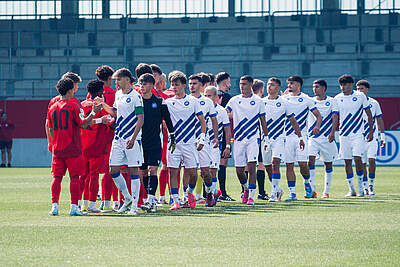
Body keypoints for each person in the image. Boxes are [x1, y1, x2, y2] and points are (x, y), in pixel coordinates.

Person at [47, 77, 102, 216]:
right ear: (71, 90)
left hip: (57, 148)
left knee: (57, 177)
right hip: (72, 147)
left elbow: (50, 127)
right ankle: (73, 207)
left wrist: (53, 143)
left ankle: (54, 206)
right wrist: (94, 111)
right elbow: (83, 124)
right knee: (75, 178)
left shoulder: (52, 107)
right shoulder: (74, 105)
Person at [101, 68, 144, 215]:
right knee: (113, 169)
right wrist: (102, 105)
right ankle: (127, 198)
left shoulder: (136, 97)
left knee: (133, 170)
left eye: (118, 79)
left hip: (132, 138)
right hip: (118, 137)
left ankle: (134, 207)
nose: (116, 83)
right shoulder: (118, 95)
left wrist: (133, 138)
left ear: (127, 79)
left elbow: (140, 119)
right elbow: (115, 113)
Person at [164, 71, 207, 210]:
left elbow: (202, 121)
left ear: (183, 86)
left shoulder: (193, 101)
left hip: (190, 143)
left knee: (193, 173)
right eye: (172, 85)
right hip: (174, 143)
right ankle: (176, 200)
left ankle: (188, 193)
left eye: (176, 85)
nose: (174, 87)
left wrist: (202, 138)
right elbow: (164, 120)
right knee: (173, 171)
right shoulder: (168, 102)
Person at [226, 75, 269, 205]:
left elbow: (263, 120)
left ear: (251, 85)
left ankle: (251, 196)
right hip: (238, 139)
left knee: (251, 166)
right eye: (240, 84)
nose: (241, 86)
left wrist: (266, 139)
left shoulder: (258, 101)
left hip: (253, 139)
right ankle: (245, 188)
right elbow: (225, 112)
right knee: (239, 170)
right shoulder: (234, 100)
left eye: (244, 84)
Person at [261, 77, 304, 202]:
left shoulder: (284, 103)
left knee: (275, 163)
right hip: (265, 139)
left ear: (278, 88)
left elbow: (293, 121)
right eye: (268, 84)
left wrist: (300, 137)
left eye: (273, 85)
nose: (270, 87)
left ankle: (273, 194)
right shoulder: (261, 102)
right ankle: (278, 188)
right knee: (268, 166)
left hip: (279, 138)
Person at [138, 73, 176, 212]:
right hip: (140, 141)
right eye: (141, 83)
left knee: (152, 170)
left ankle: (151, 200)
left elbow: (168, 120)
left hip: (155, 141)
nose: (142, 86)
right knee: (142, 172)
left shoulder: (160, 101)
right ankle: (143, 200)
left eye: (145, 83)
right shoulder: (137, 101)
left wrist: (172, 136)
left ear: (152, 85)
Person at [281, 75, 322, 201]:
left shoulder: (307, 99)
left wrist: (317, 127)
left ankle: (306, 182)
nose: (289, 86)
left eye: (291, 83)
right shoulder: (284, 99)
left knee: (303, 165)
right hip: (286, 136)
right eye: (288, 83)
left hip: (301, 137)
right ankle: (292, 193)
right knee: (289, 165)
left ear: (298, 85)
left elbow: (318, 116)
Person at [335, 74, 374, 197]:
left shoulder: (360, 96)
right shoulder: (337, 98)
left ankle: (361, 187)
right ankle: (351, 189)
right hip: (344, 134)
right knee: (347, 162)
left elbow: (368, 114)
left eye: (345, 84)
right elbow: (335, 116)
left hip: (358, 134)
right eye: (341, 84)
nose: (343, 87)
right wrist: (332, 132)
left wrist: (371, 131)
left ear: (351, 84)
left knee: (358, 159)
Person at [79, 79, 113, 213]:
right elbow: (110, 122)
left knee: (82, 176)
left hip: (82, 145)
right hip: (97, 146)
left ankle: (80, 204)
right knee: (93, 176)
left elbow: (81, 123)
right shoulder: (99, 106)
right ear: (100, 92)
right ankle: (92, 205)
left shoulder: (81, 105)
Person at [188, 73, 220, 207]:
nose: (192, 86)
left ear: (201, 86)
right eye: (190, 84)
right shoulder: (185, 100)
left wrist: (216, 138)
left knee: (205, 172)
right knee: (189, 171)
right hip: (187, 140)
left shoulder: (207, 102)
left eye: (194, 83)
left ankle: (210, 192)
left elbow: (213, 120)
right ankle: (187, 196)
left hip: (203, 141)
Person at [307, 80, 339, 199]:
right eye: (313, 86)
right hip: (312, 137)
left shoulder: (332, 101)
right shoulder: (310, 101)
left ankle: (326, 191)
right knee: (310, 160)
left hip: (326, 137)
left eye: (317, 87)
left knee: (328, 164)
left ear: (324, 88)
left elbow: (335, 117)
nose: (314, 89)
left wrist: (332, 132)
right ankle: (312, 190)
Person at [95, 65, 120, 211]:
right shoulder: (115, 94)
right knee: (115, 169)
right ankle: (114, 201)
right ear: (110, 78)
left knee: (93, 171)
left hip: (95, 135)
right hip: (112, 135)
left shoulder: (92, 94)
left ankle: (87, 202)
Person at [356, 79, 385, 195]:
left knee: (371, 160)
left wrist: (383, 136)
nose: (359, 91)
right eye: (357, 89)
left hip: (372, 137)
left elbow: (379, 119)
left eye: (361, 88)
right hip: (359, 137)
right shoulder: (354, 102)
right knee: (362, 163)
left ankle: (371, 185)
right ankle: (364, 186)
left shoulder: (374, 103)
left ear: (367, 90)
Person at [204, 86, 231, 201]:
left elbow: (227, 130)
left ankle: (212, 195)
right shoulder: (201, 108)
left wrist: (228, 146)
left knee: (213, 170)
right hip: (202, 145)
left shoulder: (221, 111)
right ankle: (210, 192)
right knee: (204, 171)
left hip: (215, 145)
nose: (207, 98)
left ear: (215, 97)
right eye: (205, 96)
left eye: (209, 96)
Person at [45, 72, 82, 153]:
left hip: (57, 143)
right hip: (72, 144)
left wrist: (50, 142)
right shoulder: (75, 102)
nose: (77, 87)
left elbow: (48, 123)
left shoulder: (53, 101)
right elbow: (81, 123)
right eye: (76, 84)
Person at [215, 72, 234, 201]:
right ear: (225, 81)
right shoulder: (226, 97)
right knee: (223, 163)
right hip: (222, 133)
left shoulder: (209, 94)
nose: (230, 84)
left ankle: (209, 192)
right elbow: (230, 115)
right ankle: (222, 192)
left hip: (211, 134)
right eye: (229, 81)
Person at [252, 79, 269, 200]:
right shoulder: (261, 102)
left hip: (247, 137)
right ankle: (261, 192)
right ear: (261, 90)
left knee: (248, 165)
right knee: (261, 164)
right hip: (259, 136)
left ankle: (245, 191)